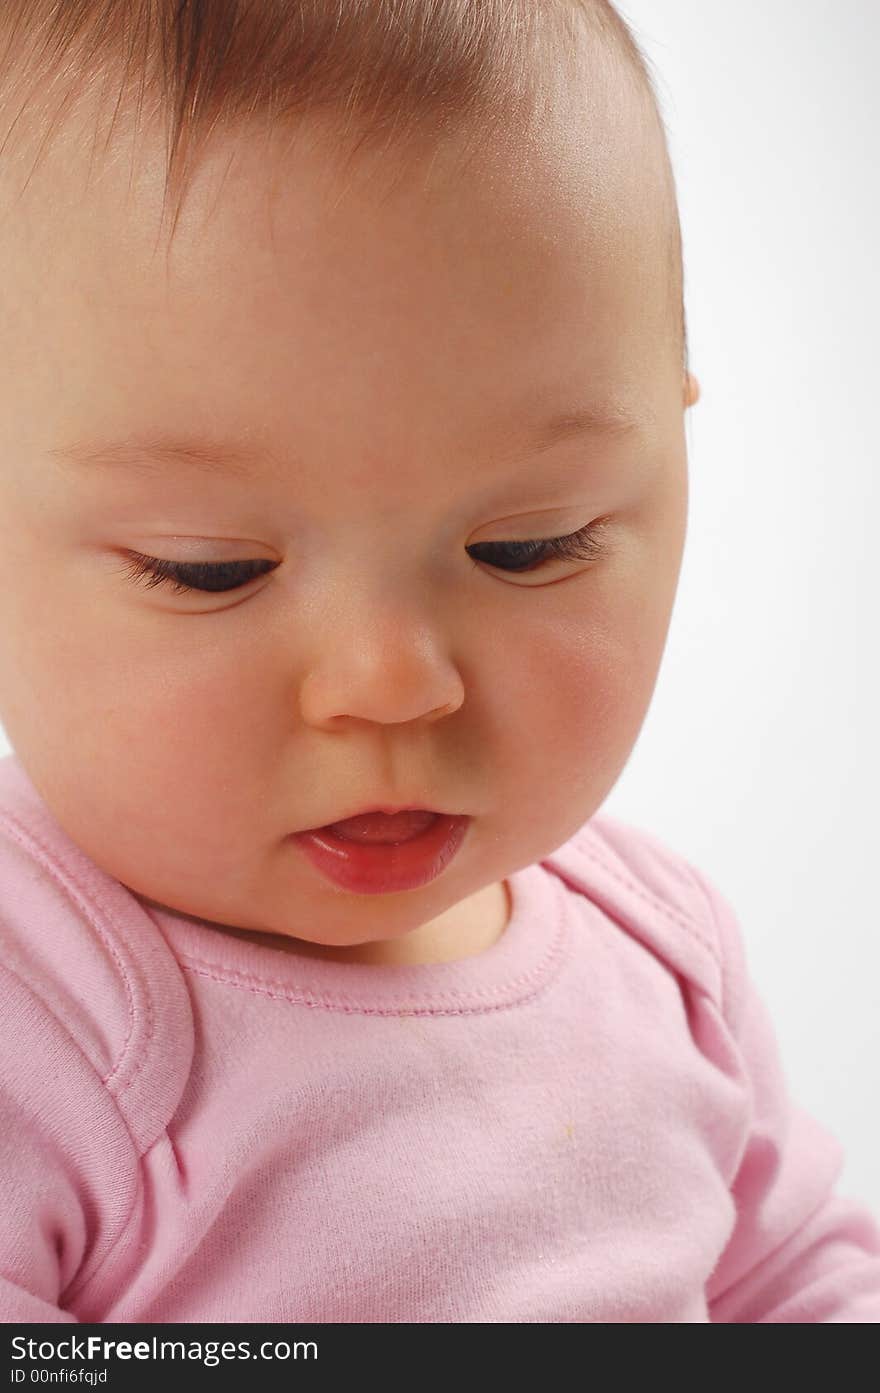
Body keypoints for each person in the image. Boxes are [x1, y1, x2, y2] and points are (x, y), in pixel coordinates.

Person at [0, 0, 876, 1323]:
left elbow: (802, 1278)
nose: (394, 685)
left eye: (530, 544)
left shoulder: (664, 956)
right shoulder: (38, 1005)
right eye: (211, 569)